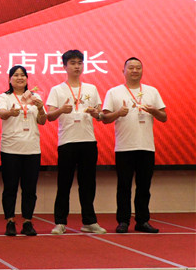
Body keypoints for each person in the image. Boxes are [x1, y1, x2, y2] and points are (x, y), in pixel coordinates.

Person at [102, 57, 167, 234]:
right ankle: (123, 221)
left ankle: (142, 221)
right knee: (124, 186)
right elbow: (105, 119)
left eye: (138, 68)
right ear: (123, 71)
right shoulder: (114, 92)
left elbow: (163, 117)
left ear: (142, 71)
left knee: (144, 186)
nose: (135, 71)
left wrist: (153, 110)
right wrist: (118, 113)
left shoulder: (152, 91)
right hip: (124, 147)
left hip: (146, 146)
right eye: (131, 68)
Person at [46, 49, 107, 234]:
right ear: (64, 66)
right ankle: (60, 222)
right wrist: (61, 110)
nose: (77, 66)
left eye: (80, 63)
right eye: (72, 63)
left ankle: (89, 221)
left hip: (88, 141)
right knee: (64, 183)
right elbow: (49, 116)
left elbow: (100, 115)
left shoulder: (91, 89)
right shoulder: (57, 90)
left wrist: (96, 113)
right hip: (67, 142)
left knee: (88, 184)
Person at [0, 65, 46, 237]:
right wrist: (11, 112)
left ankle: (27, 222)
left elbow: (42, 121)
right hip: (10, 148)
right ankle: (10, 221)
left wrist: (40, 108)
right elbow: (1, 114)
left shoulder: (35, 97)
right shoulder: (4, 97)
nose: (19, 78)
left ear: (27, 78)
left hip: (32, 148)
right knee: (10, 187)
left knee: (30, 189)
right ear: (10, 79)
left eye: (22, 75)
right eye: (16, 75)